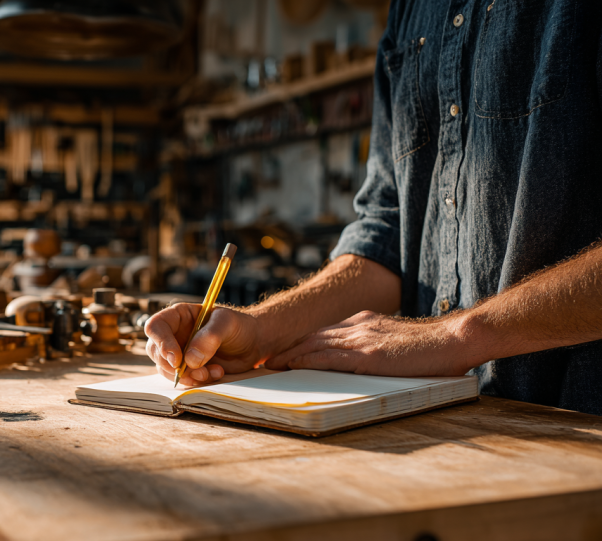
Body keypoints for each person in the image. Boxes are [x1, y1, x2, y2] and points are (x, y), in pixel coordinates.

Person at [146, 0, 602, 416]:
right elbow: (387, 234)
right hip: (441, 423)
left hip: (575, 427)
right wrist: (260, 330)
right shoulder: (411, 10)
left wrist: (454, 336)